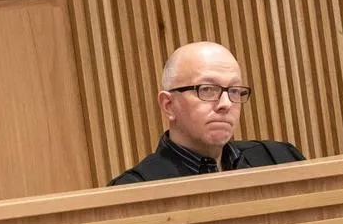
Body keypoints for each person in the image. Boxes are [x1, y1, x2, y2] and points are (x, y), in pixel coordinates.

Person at [110, 42, 304, 185]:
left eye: (234, 90)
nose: (226, 103)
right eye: (207, 89)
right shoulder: (135, 189)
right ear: (168, 105)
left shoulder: (281, 159)